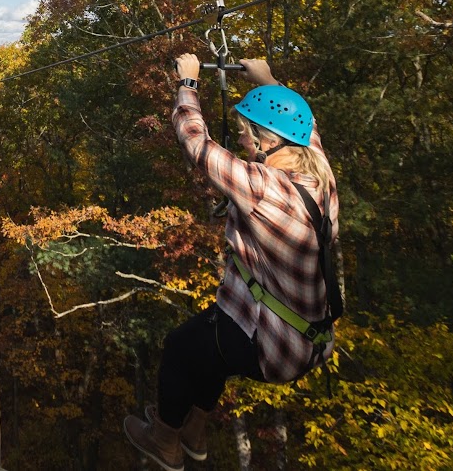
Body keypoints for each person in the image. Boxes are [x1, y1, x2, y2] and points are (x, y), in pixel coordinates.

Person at [123, 55, 340, 470]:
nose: (240, 138)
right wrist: (269, 80)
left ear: (266, 142)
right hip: (311, 338)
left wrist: (188, 83)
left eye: (245, 132)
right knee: (213, 339)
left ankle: (165, 440)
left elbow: (197, 145)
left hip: (274, 348)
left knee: (179, 348)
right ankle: (194, 430)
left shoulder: (262, 186)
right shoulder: (320, 174)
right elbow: (306, 126)